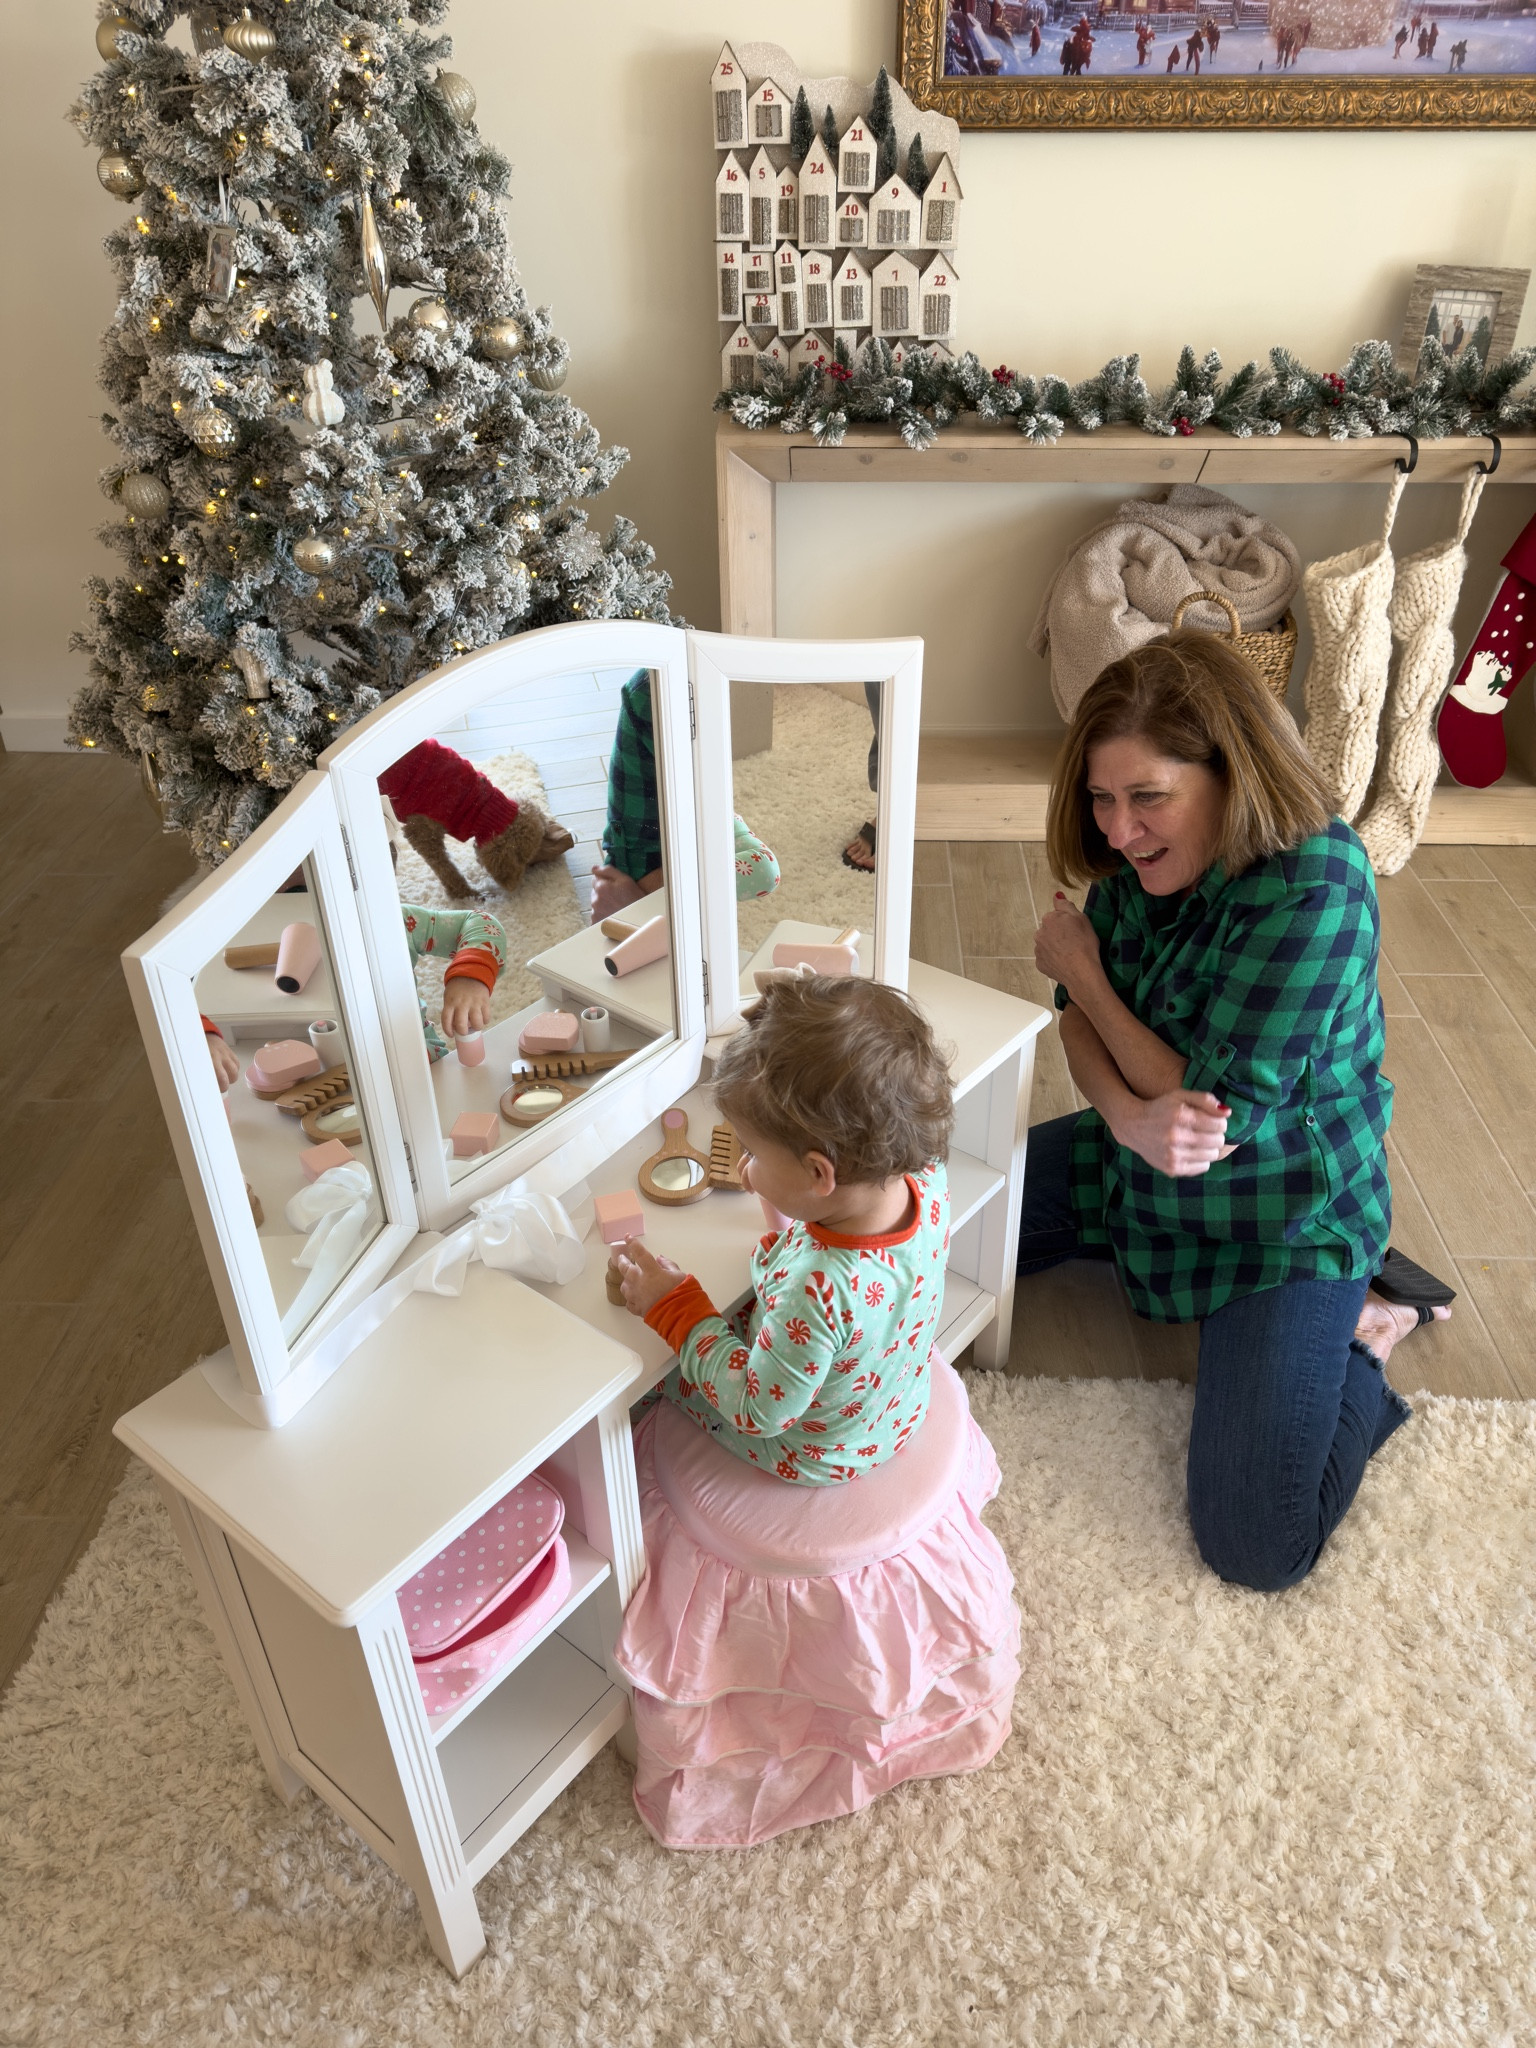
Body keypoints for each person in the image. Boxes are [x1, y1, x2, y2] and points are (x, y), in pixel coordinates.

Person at [1018, 631, 1455, 1593]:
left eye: (1146, 798)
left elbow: (1208, 1116)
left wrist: (1085, 971)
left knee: (1256, 1542)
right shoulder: (1140, 865)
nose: (1118, 831)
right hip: (1139, 1157)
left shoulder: (1321, 881)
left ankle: (1371, 1333)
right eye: (1102, 798)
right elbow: (1078, 1034)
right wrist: (1130, 1121)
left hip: (1284, 1213)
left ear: (1232, 771)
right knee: (933, 1213)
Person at [610, 975, 953, 1484]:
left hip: (815, 1450)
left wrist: (674, 1309)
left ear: (819, 1174)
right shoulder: (923, 1175)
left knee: (657, 1377)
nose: (743, 1168)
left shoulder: (815, 1291)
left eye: (752, 1153)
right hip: (891, 1404)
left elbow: (757, 1409)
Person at [590, 668, 780, 919]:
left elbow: (705, 795)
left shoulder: (699, 685)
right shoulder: (656, 692)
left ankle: (651, 900)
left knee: (762, 868)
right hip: (645, 858)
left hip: (694, 820)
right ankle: (650, 901)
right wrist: (639, 901)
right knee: (760, 869)